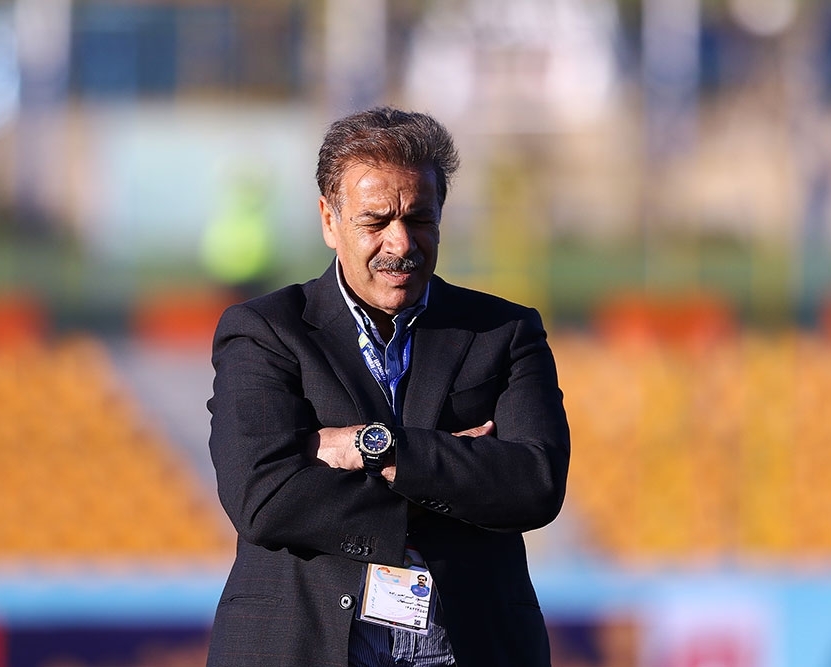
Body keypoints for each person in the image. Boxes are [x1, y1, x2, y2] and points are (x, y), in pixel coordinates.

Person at [206, 107, 570, 667]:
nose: (401, 243)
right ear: (329, 220)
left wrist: (373, 446)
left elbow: (535, 483)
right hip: (305, 647)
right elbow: (264, 498)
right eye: (375, 221)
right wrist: (449, 468)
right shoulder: (263, 332)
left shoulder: (505, 331)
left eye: (420, 218)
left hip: (472, 645)